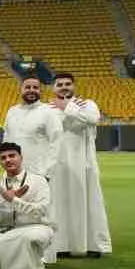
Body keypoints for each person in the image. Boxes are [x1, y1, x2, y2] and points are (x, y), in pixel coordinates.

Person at [48, 73, 112, 258]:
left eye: (68, 84)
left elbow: (92, 119)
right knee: (59, 203)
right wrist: (73, 112)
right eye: (59, 84)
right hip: (57, 164)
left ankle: (94, 245)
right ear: (53, 88)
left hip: (84, 164)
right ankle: (61, 245)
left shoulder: (88, 104)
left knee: (90, 202)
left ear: (74, 86)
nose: (64, 87)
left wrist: (67, 107)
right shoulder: (47, 108)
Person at [0, 142, 54, 269]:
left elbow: (40, 210)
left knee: (31, 237)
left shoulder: (39, 181)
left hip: (37, 226)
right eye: (3, 158)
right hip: (7, 229)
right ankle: (7, 268)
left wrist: (15, 201)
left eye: (12, 156)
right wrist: (5, 201)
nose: (8, 160)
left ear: (21, 157)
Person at [3, 76, 61, 178]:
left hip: (40, 173)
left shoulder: (49, 111)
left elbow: (57, 142)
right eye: (27, 87)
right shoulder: (12, 111)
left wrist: (47, 171)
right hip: (14, 172)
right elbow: (6, 139)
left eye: (35, 88)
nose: (31, 90)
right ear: (20, 90)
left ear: (40, 91)